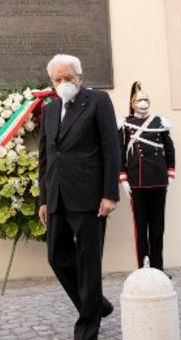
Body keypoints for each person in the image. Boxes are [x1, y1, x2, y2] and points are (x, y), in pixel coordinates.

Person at [38, 54, 120, 340]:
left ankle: (87, 328)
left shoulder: (98, 101)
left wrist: (110, 194)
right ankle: (97, 304)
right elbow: (46, 157)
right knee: (56, 258)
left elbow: (112, 148)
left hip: (90, 197)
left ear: (80, 78)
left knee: (88, 262)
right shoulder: (49, 110)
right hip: (58, 196)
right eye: (58, 79)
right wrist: (44, 199)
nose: (63, 84)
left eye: (68, 78)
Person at [118, 81, 175, 274]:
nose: (143, 102)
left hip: (158, 180)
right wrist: (123, 178)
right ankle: (143, 268)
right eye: (139, 99)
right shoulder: (125, 124)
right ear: (132, 102)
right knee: (141, 228)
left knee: (158, 227)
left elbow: (169, 148)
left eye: (146, 99)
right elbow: (120, 152)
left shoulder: (160, 122)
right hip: (138, 181)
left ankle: (158, 268)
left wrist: (170, 173)